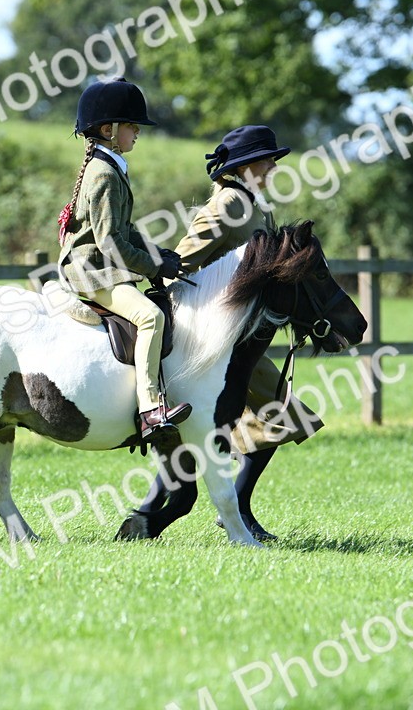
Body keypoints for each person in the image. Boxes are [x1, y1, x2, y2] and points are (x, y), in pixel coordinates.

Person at [136, 124, 324, 541]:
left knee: (275, 417)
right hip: (215, 341)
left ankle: (176, 511)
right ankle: (208, 512)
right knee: (277, 416)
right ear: (248, 165)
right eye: (269, 159)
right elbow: (183, 260)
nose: (275, 165)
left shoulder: (256, 204)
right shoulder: (228, 205)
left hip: (242, 338)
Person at [57, 78, 192, 441]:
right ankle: (150, 408)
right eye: (133, 126)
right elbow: (110, 242)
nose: (137, 132)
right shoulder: (103, 173)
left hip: (104, 266)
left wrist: (156, 254)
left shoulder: (110, 166)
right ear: (109, 130)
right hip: (92, 272)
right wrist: (153, 267)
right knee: (150, 316)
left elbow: (125, 229)